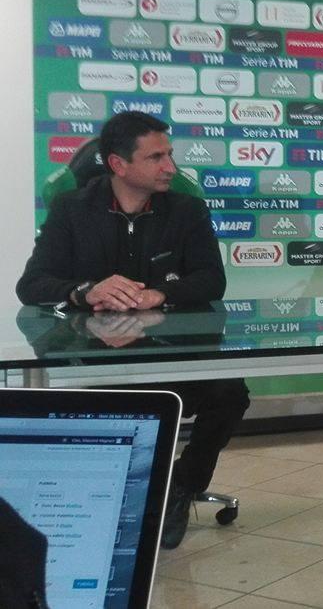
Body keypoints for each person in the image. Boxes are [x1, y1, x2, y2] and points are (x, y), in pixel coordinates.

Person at [15, 111, 247, 551]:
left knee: (230, 392)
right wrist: (86, 291)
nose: (171, 167)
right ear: (118, 165)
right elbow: (32, 285)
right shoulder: (72, 209)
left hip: (173, 354)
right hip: (96, 359)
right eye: (156, 157)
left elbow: (210, 280)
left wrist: (161, 293)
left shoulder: (187, 210)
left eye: (170, 155)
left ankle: (181, 487)